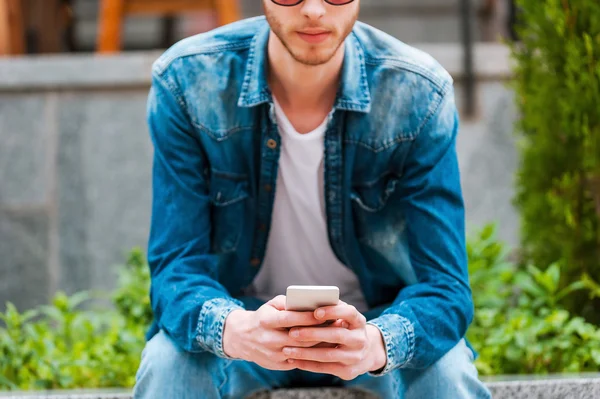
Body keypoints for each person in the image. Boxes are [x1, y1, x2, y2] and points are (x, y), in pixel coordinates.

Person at [133, 1, 492, 398]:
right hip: (243, 325)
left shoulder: (417, 92)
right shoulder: (188, 82)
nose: (315, 10)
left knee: (446, 372)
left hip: (371, 326)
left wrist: (376, 342)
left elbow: (445, 287)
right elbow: (175, 271)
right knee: (170, 365)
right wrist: (235, 329)